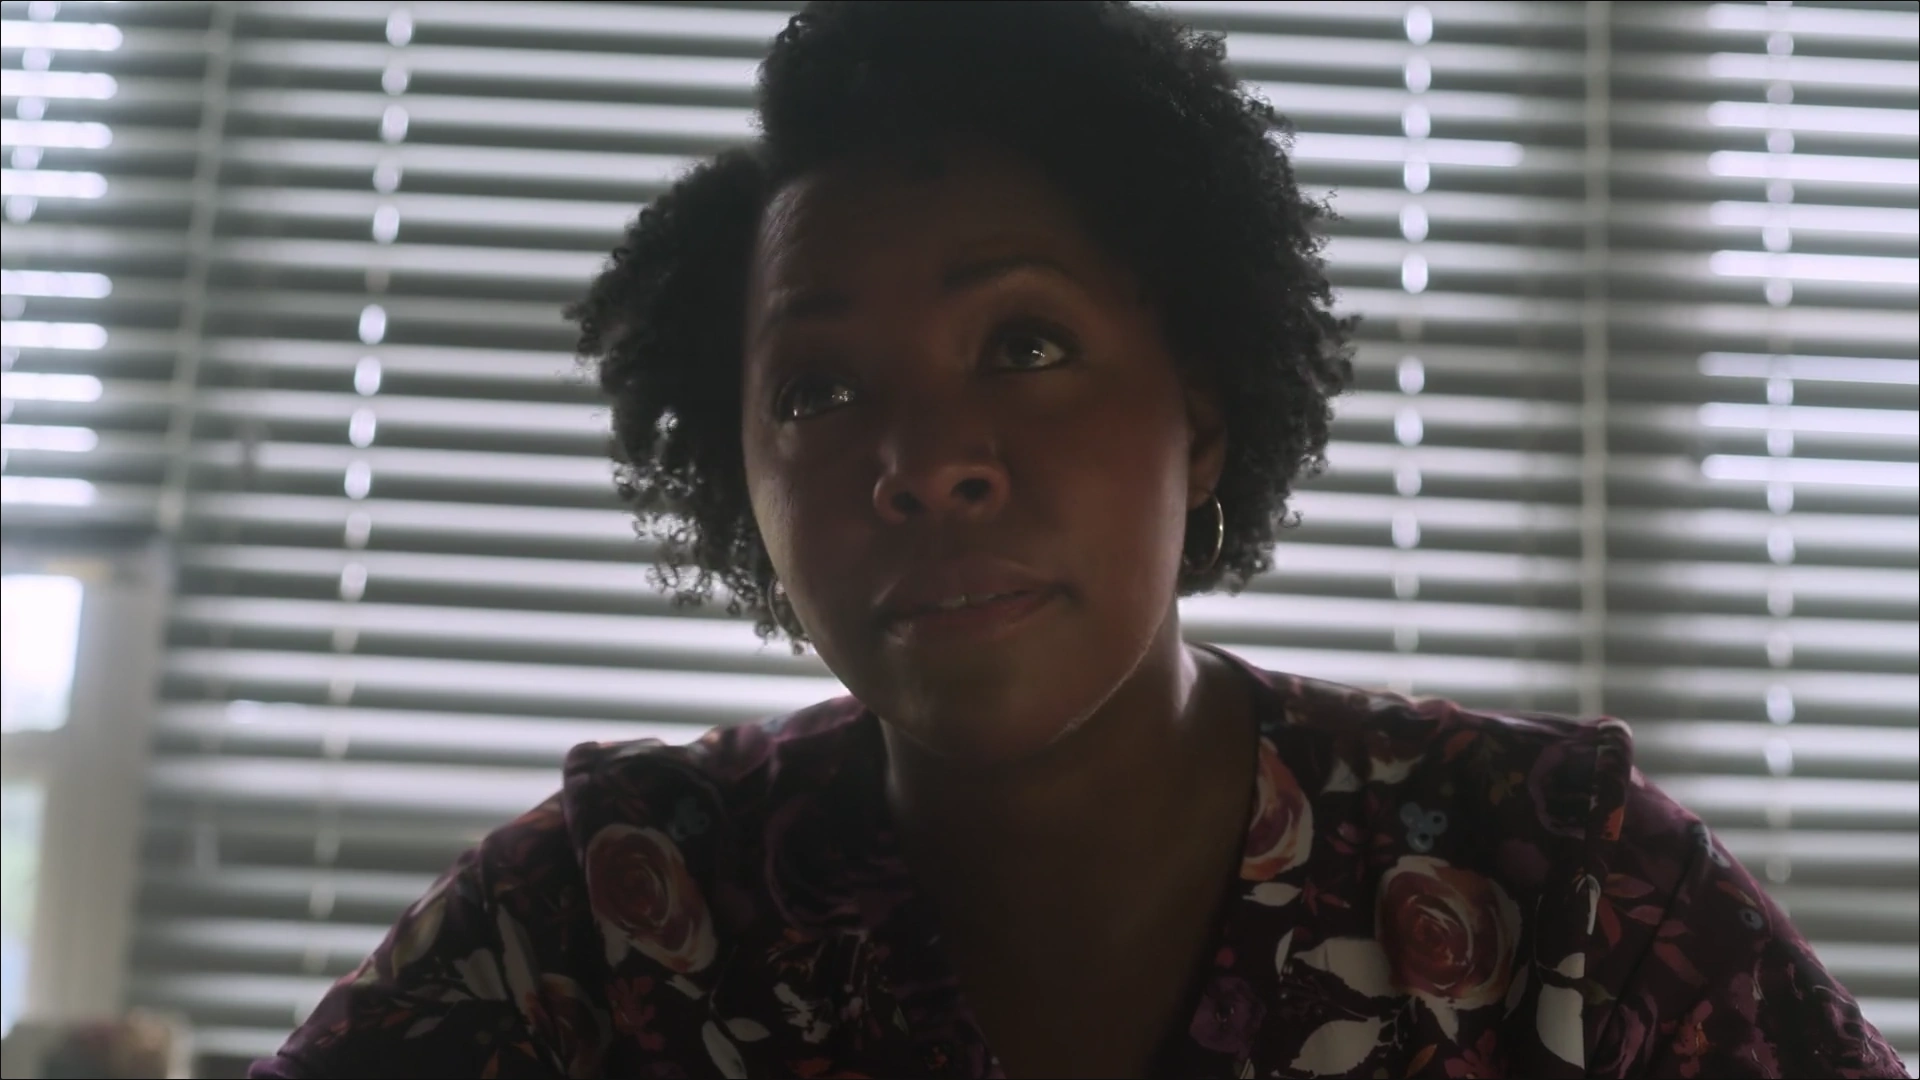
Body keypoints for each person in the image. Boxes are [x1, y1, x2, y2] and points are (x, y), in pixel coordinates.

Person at [250, 3, 1907, 1078]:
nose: (923, 465)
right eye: (818, 389)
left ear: (1201, 414)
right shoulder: (601, 924)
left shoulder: (1562, 892)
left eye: (1026, 344)